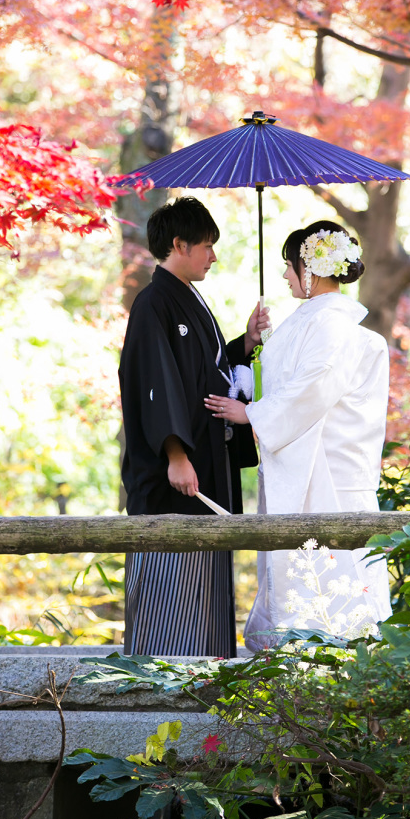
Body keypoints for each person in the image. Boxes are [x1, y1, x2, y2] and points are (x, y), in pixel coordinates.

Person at [205, 220, 392, 650]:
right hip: (307, 459)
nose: (286, 276)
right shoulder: (316, 320)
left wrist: (251, 414)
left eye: (290, 267)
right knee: (306, 564)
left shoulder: (332, 324)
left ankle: (320, 656)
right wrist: (257, 350)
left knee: (331, 571)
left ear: (310, 270)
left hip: (328, 468)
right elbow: (292, 384)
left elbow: (313, 386)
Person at [119, 196, 268, 658]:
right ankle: (166, 679)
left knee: (205, 577)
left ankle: (206, 672)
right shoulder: (153, 303)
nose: (214, 256)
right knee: (173, 580)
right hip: (178, 471)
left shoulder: (188, 298)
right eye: (206, 246)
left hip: (206, 462)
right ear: (179, 245)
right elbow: (155, 385)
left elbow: (206, 373)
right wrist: (176, 455)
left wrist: (245, 342)